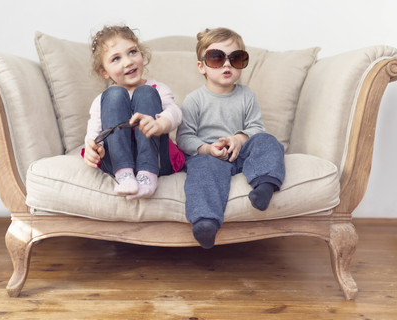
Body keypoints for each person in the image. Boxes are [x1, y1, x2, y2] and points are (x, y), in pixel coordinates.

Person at [176, 28, 285, 249]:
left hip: (241, 154)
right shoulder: (194, 100)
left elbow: (256, 127)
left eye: (235, 58)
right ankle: (205, 222)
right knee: (203, 170)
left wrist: (239, 139)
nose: (227, 65)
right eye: (216, 58)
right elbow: (184, 138)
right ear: (202, 67)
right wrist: (206, 149)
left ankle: (264, 186)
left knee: (267, 140)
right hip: (209, 156)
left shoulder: (246, 95)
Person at [84, 25, 183, 200]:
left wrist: (161, 123)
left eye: (132, 52)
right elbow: (94, 132)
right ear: (104, 72)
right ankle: (124, 174)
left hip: (156, 158)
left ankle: (147, 174)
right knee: (113, 94)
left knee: (146, 92)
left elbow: (175, 112)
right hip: (116, 162)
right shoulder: (103, 99)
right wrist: (92, 147)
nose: (128, 62)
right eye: (116, 58)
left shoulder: (157, 89)